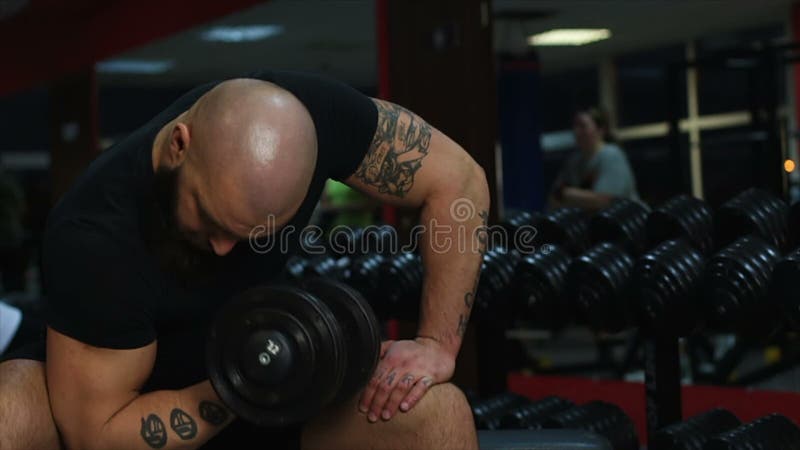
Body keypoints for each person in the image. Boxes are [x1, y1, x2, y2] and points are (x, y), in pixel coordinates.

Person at [0, 72, 489, 450]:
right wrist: (243, 383)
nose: (222, 251)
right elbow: (99, 436)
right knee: (8, 413)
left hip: (262, 366)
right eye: (210, 221)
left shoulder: (313, 115)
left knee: (438, 413)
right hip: (122, 392)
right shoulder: (95, 234)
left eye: (252, 234)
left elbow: (459, 182)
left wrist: (436, 343)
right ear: (179, 146)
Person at [548, 107, 638, 212]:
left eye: (583, 126)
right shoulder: (574, 160)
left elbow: (604, 201)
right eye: (575, 126)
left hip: (625, 221)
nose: (577, 131)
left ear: (601, 130)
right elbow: (553, 198)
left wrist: (567, 194)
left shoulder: (611, 154)